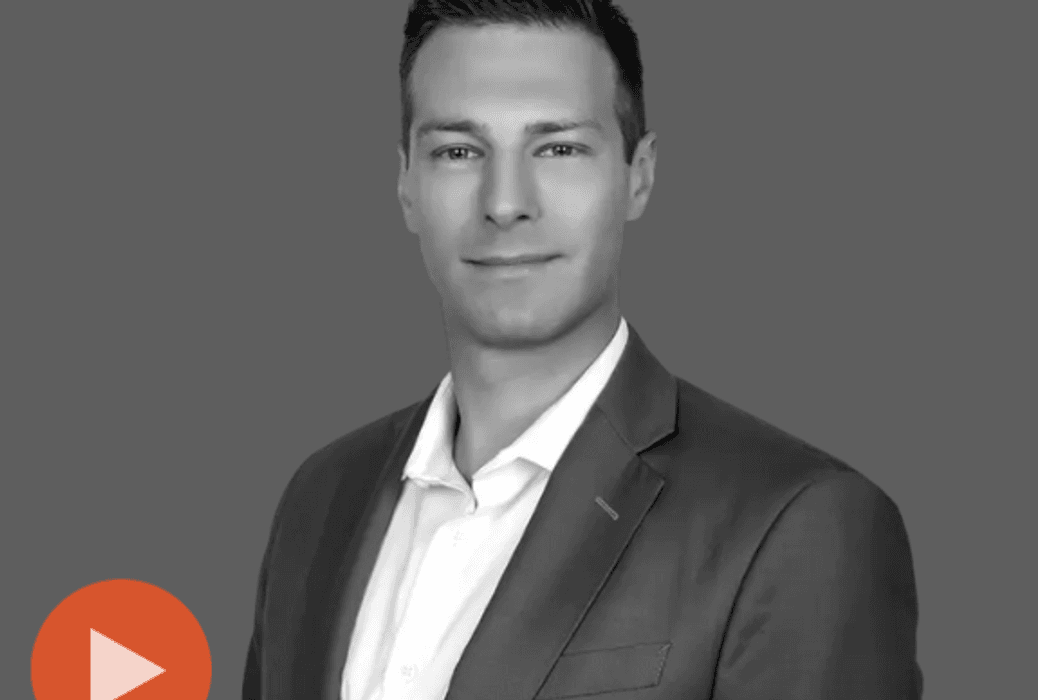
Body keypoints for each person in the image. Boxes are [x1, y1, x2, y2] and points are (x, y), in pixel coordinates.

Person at [242, 1, 922, 698]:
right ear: (406, 184)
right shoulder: (318, 501)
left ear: (639, 174)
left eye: (559, 149)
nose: (505, 202)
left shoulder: (798, 524)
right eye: (458, 151)